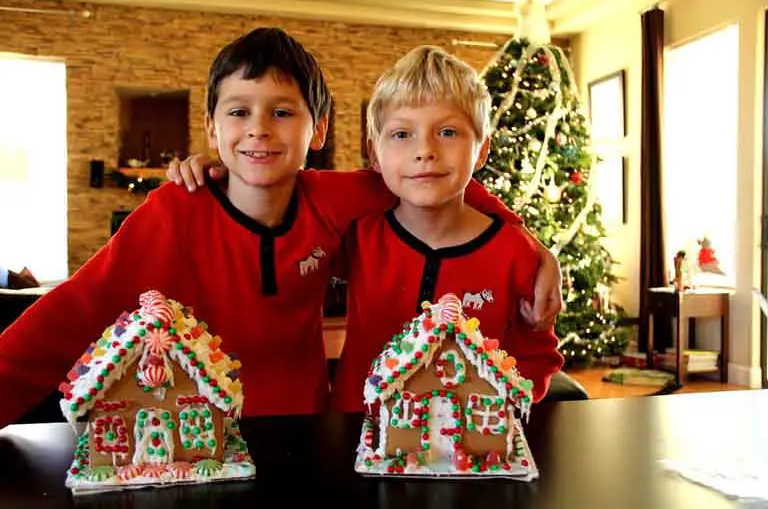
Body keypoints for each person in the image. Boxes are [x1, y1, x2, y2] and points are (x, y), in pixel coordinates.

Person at [0, 28, 560, 429]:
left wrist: (529, 246)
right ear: (212, 129)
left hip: (311, 435)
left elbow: (431, 185)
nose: (259, 131)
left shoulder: (334, 200)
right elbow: (65, 316)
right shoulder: (174, 211)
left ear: (317, 131)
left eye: (283, 112)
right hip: (200, 441)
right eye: (239, 113)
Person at [329, 46, 563, 411]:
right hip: (359, 434)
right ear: (375, 153)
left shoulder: (516, 253)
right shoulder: (356, 236)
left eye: (448, 131)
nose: (425, 150)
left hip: (472, 450)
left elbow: (536, 355)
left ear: (481, 150)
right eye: (402, 134)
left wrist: (505, 411)